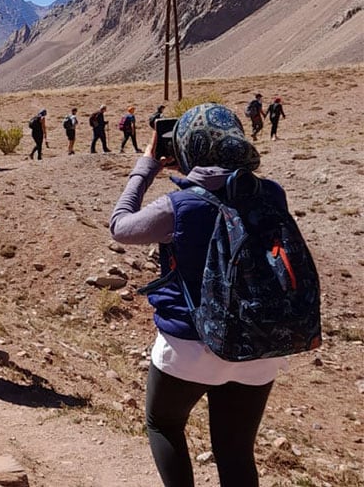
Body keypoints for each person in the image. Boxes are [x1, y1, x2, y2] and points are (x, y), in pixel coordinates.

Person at [109, 103, 288, 487]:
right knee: (236, 452)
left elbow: (120, 226)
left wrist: (148, 166)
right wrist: (196, 171)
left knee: (163, 424)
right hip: (257, 346)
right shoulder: (272, 194)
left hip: (189, 348)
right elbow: (227, 190)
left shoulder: (181, 205)